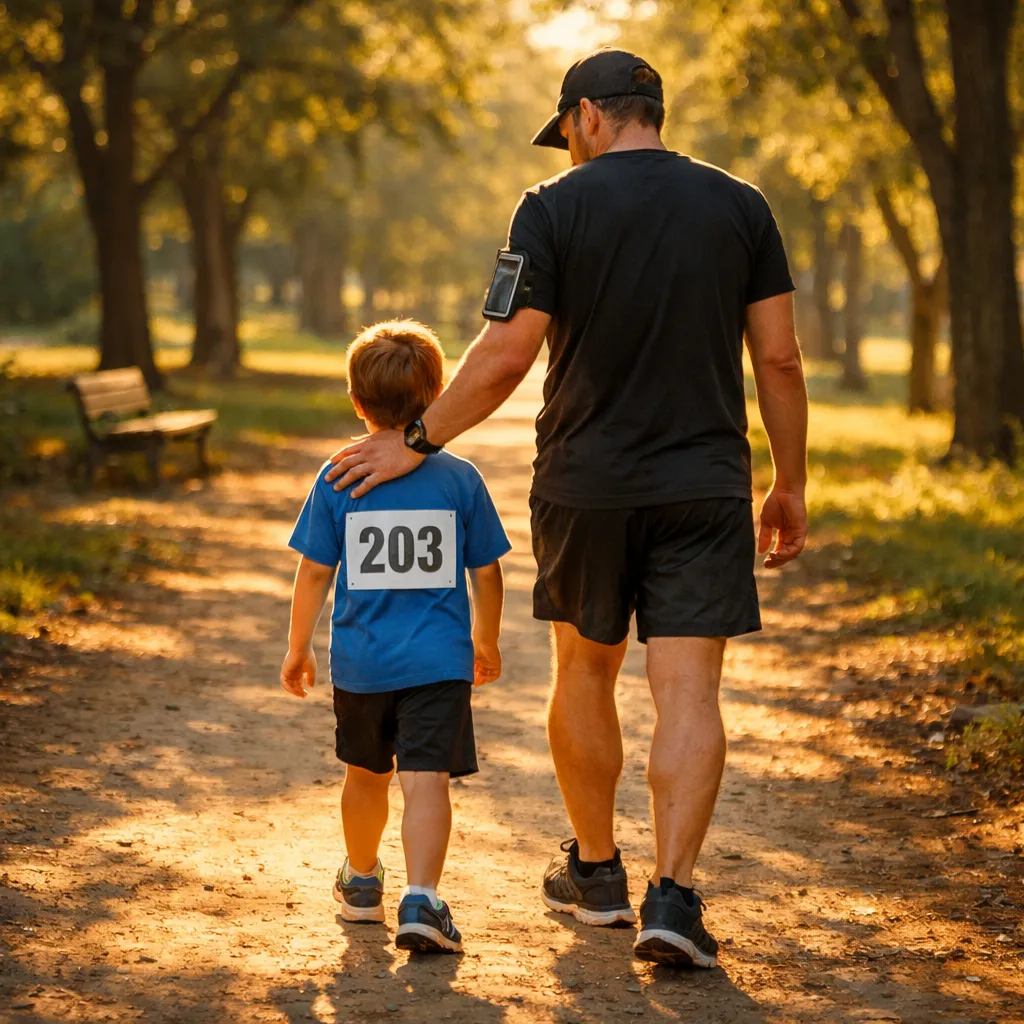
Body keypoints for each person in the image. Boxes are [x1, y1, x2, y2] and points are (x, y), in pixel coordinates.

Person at [325, 49, 809, 968]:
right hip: (705, 486)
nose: (571, 147)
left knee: (585, 674)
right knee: (689, 693)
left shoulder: (550, 206)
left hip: (587, 484)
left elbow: (506, 355)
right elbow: (779, 360)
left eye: (570, 132)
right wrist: (788, 482)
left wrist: (414, 440)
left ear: (589, 115)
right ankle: (675, 896)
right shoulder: (743, 206)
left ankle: (596, 875)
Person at [280, 320, 510, 955]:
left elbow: (315, 571)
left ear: (357, 402)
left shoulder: (339, 475)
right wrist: (484, 641)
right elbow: (488, 572)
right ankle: (423, 898)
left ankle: (360, 881)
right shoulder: (459, 478)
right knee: (426, 780)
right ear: (436, 396)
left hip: (363, 663)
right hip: (439, 664)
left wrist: (298, 646)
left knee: (364, 773)